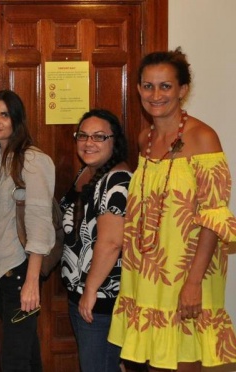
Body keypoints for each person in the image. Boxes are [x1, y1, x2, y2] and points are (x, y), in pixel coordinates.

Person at [108, 48, 236, 371]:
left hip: (186, 277)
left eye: (165, 86)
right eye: (148, 86)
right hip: (148, 277)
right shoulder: (144, 139)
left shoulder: (204, 138)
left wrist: (193, 284)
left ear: (182, 90)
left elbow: (212, 218)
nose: (156, 94)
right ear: (138, 90)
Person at [0, 90, 55, 372]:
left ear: (16, 119)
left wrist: (32, 281)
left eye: (4, 114)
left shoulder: (33, 161)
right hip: (3, 274)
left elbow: (38, 221)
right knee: (26, 353)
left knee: (15, 359)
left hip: (22, 272)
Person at [59, 109, 131, 372]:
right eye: (83, 136)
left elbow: (112, 242)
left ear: (115, 141)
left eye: (99, 137)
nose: (89, 143)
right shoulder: (87, 172)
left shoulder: (117, 181)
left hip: (101, 299)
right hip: (82, 295)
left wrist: (90, 291)